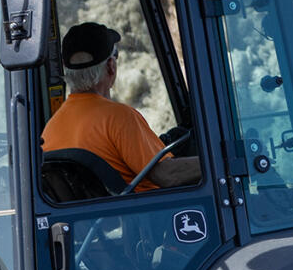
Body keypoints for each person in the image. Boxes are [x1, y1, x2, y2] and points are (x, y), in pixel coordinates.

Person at [41, 22, 201, 190]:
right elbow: (167, 176)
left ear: (66, 69)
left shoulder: (50, 130)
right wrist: (220, 160)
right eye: (115, 55)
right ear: (111, 66)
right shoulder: (119, 118)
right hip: (151, 212)